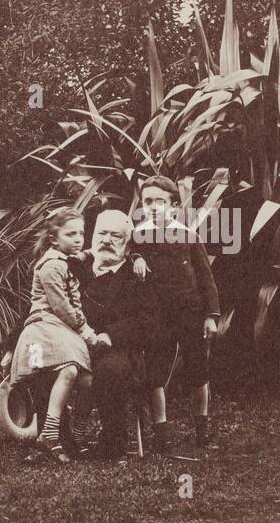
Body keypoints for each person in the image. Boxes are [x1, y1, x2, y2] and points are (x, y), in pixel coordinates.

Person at [135, 176, 221, 457]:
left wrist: (210, 315)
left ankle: (202, 431)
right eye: (148, 201)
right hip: (157, 316)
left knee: (198, 371)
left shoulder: (188, 235)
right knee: (156, 373)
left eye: (161, 201)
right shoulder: (138, 237)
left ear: (173, 205)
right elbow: (126, 257)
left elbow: (206, 279)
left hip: (190, 314)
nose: (154, 207)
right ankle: (161, 435)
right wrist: (136, 257)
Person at [9, 207, 99, 462]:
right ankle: (49, 434)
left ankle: (76, 431)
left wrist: (95, 251)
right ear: (54, 239)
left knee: (87, 380)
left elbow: (85, 255)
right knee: (62, 373)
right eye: (71, 234)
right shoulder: (51, 265)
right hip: (43, 328)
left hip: (58, 328)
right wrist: (85, 330)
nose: (78, 239)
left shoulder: (65, 260)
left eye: (81, 233)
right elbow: (61, 306)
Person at [77, 209, 162, 460]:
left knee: (110, 370)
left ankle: (113, 442)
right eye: (102, 233)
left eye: (116, 236)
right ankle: (56, 437)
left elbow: (148, 322)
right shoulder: (76, 268)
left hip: (120, 349)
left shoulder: (137, 276)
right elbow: (46, 302)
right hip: (73, 344)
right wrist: (12, 345)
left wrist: (110, 335)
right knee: (41, 358)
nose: (106, 240)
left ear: (127, 247)